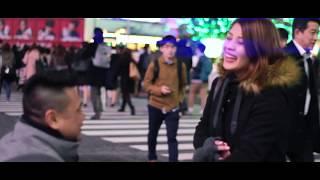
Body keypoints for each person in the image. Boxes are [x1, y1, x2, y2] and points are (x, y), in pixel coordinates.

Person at [193, 18, 300, 162]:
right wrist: (211, 147)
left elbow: (253, 151)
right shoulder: (220, 83)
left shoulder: (272, 93)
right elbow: (202, 129)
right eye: (229, 38)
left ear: (260, 49)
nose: (229, 46)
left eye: (241, 42)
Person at [0, 70, 84, 162]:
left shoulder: (10, 142)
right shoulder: (42, 158)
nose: (83, 116)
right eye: (78, 110)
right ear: (53, 119)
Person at [144, 35, 187, 162]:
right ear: (162, 49)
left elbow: (183, 85)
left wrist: (179, 100)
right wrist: (159, 90)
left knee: (172, 137)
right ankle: (152, 157)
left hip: (172, 107)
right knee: (153, 134)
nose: (170, 50)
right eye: (167, 47)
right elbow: (146, 84)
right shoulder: (155, 64)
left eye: (173, 47)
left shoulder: (180, 66)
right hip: (155, 105)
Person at [283, 18, 320, 162]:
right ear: (298, 32)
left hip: (304, 130)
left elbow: (310, 97)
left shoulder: (308, 58)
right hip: (287, 130)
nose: (315, 38)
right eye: (312, 33)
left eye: (316, 33)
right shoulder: (284, 58)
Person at [188, 42, 212, 114]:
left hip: (195, 79)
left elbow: (193, 69)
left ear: (198, 49)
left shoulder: (195, 58)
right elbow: (209, 69)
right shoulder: (207, 59)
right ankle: (203, 109)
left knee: (192, 93)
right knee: (203, 95)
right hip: (204, 80)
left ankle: (190, 109)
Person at [118, 48, 136, 115]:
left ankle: (132, 107)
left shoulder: (122, 59)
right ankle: (123, 107)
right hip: (131, 79)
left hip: (124, 78)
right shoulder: (132, 60)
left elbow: (118, 69)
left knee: (125, 94)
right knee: (125, 93)